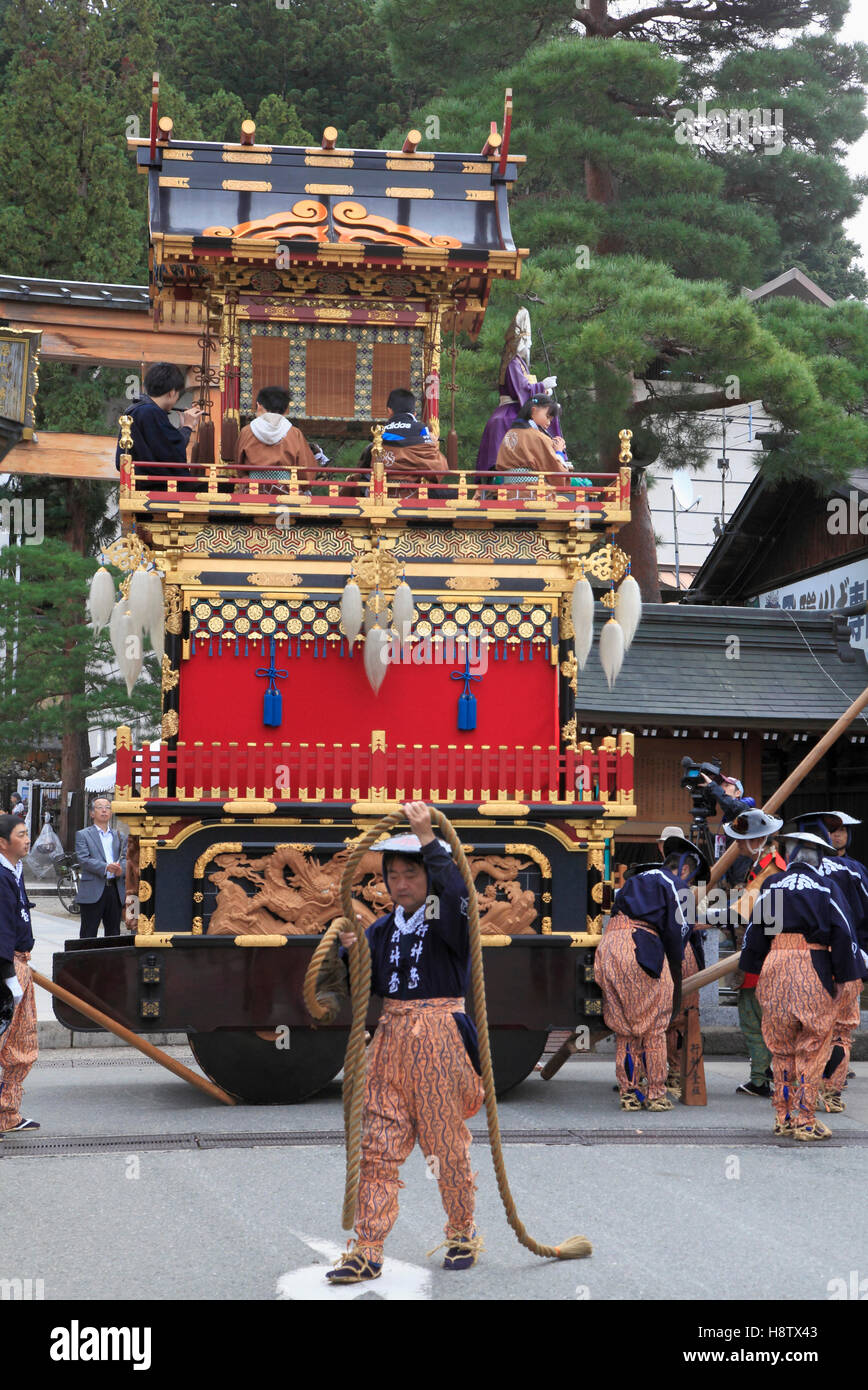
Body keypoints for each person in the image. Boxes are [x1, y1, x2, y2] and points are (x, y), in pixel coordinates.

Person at [324, 801, 484, 1285]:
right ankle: (367, 1248)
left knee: (444, 1147)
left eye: (410, 874)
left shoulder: (449, 919)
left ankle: (461, 1231)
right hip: (390, 1038)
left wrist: (430, 839)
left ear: (427, 877)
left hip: (440, 1038)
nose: (400, 883)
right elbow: (364, 987)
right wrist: (350, 952)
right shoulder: (380, 929)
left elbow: (458, 891)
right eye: (393, 875)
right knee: (379, 1145)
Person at [740, 830, 863, 1140]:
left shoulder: (771, 885)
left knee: (781, 1049)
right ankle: (805, 1119)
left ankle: (782, 1115)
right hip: (813, 965)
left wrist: (753, 967)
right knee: (812, 1046)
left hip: (775, 965)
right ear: (819, 858)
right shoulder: (826, 887)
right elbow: (844, 933)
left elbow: (755, 932)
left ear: (791, 856)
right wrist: (846, 977)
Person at [594, 835, 708, 1111]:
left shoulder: (637, 880)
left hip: (609, 947)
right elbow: (677, 931)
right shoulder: (675, 885)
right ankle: (656, 1093)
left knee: (626, 1029)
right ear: (684, 869)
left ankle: (630, 1092)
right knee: (654, 1026)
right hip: (639, 948)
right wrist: (673, 965)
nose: (690, 884)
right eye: (691, 878)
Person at [786, 812, 868, 1113]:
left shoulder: (791, 875)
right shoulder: (853, 870)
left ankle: (799, 1091)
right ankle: (831, 1092)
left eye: (842, 830)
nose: (838, 835)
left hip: (802, 961)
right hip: (846, 956)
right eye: (832, 830)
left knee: (803, 1028)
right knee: (841, 1029)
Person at [718, 810, 784, 1098]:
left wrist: (706, 917)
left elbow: (743, 910)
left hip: (763, 953)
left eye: (742, 842)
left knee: (753, 1017)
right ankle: (768, 1074)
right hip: (763, 949)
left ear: (757, 840)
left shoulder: (770, 870)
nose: (739, 847)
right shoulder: (764, 866)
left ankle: (762, 1078)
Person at [475, 308, 563, 475]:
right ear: (519, 341)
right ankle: (552, 461)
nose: (529, 344)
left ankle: (557, 459)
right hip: (512, 408)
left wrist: (544, 392)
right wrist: (542, 386)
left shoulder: (520, 363)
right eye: (527, 339)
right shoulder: (513, 363)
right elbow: (521, 389)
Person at [0, 813, 39, 1133]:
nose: (28, 839)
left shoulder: (15, 869)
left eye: (28, 833)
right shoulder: (0, 875)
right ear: (3, 843)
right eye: (21, 834)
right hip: (6, 966)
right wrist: (8, 976)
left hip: (20, 962)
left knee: (21, 1044)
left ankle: (7, 1113)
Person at [353, 388, 448, 499]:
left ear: (389, 411)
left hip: (379, 494)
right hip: (413, 494)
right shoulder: (421, 429)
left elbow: (365, 467)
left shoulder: (381, 431)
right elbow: (438, 468)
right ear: (414, 413)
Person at [115, 362, 201, 482]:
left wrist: (182, 427)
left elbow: (163, 447)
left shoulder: (137, 410)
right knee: (224, 484)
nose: (176, 399)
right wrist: (187, 426)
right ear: (172, 393)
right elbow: (171, 453)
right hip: (157, 485)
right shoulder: (150, 412)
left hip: (141, 483)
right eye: (177, 395)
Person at [234, 386, 318, 495]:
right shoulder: (294, 433)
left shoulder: (246, 431)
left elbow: (238, 464)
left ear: (259, 405)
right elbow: (306, 473)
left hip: (253, 490)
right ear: (285, 409)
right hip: (287, 492)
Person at [492, 395, 572, 501]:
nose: (549, 422)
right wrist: (559, 452)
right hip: (533, 493)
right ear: (534, 411)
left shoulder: (510, 433)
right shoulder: (538, 437)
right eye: (547, 417)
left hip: (507, 493)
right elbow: (556, 474)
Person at [75, 799, 127, 940]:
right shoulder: (83, 834)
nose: (104, 810)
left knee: (113, 932)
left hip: (114, 889)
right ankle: (85, 960)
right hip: (93, 888)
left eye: (107, 807)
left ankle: (111, 962)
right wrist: (105, 867)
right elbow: (83, 859)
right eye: (100, 807)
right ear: (92, 813)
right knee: (88, 932)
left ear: (111, 812)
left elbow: (126, 858)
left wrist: (122, 869)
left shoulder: (119, 836)